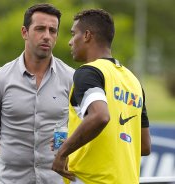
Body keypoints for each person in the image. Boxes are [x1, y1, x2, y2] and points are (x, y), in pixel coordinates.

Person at [52, 9, 151, 184]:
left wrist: (63, 152)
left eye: (73, 34)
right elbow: (144, 146)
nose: (69, 42)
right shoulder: (133, 81)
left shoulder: (88, 72)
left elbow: (100, 116)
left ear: (87, 35)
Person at [0, 3, 74, 184]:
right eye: (40, 29)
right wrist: (16, 157)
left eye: (52, 31)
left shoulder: (71, 78)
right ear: (24, 32)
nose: (47, 36)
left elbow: (86, 126)